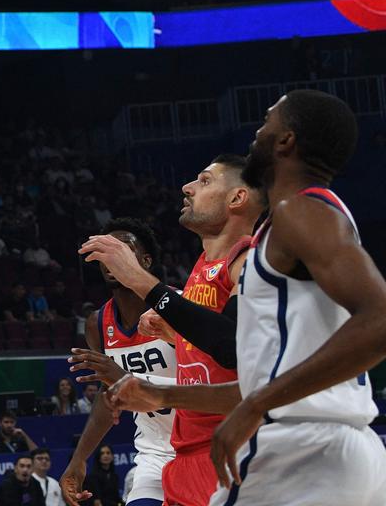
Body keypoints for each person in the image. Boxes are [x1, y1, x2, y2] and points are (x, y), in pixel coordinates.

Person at [107, 92, 386, 506]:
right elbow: (255, 379)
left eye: (266, 124)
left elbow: (380, 321)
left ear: (285, 141)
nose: (256, 133)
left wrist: (258, 403)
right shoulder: (290, 229)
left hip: (299, 449)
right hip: (332, 448)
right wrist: (167, 395)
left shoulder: (301, 212)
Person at [79, 155, 261, 506]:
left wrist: (140, 281)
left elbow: (234, 350)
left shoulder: (249, 260)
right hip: (185, 454)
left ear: (237, 198)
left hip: (231, 449)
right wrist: (174, 336)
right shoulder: (202, 266)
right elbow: (221, 355)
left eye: (204, 181)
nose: (187, 187)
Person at [61, 218, 174, 506]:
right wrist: (79, 459)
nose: (112, 259)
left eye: (123, 249)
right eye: (106, 252)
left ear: (146, 261)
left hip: (204, 445)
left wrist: (124, 379)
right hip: (155, 454)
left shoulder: (179, 306)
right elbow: (108, 395)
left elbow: (205, 382)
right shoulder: (97, 323)